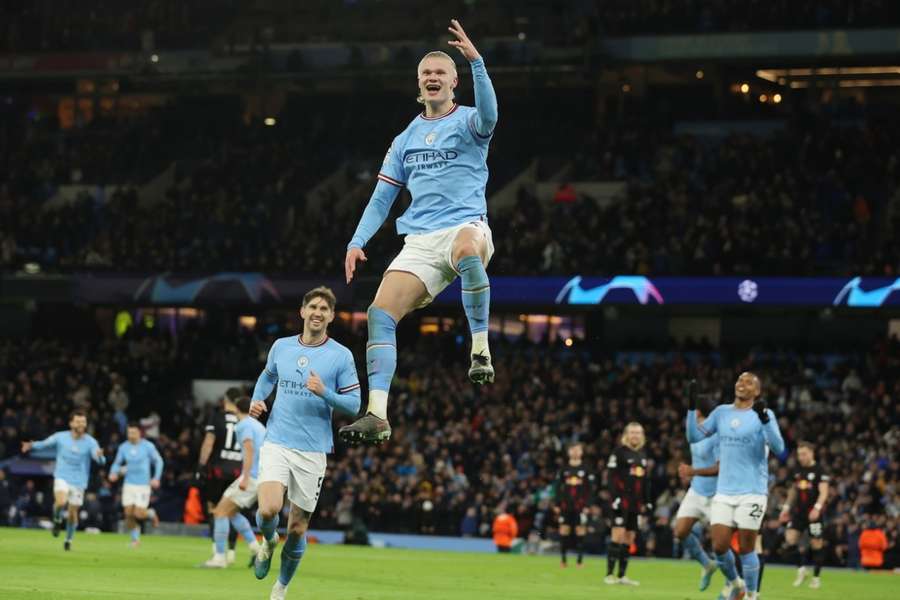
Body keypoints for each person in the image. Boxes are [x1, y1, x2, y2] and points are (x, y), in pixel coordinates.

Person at [340, 18, 499, 446]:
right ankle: (377, 413)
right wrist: (357, 242)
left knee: (468, 253)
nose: (432, 78)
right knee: (379, 313)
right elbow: (381, 199)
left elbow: (491, 114)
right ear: (418, 83)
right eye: (426, 73)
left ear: (453, 84)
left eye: (440, 74)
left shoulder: (469, 122)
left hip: (465, 226)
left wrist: (477, 61)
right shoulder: (404, 139)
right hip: (420, 241)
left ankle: (480, 348)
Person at [249, 287, 361, 600]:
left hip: (313, 450)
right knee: (269, 509)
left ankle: (280, 588)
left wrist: (325, 392)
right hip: (277, 441)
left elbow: (354, 404)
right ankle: (268, 541)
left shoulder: (340, 356)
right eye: (313, 306)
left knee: (297, 528)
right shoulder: (281, 347)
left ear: (332, 317)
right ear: (302, 311)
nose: (317, 313)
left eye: (324, 309)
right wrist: (257, 399)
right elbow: (267, 376)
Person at [687, 372, 785, 600]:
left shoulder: (764, 414)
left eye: (749, 382)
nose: (742, 384)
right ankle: (735, 584)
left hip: (752, 492)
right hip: (724, 492)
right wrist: (691, 408)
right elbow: (693, 436)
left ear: (757, 391)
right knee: (719, 546)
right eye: (740, 380)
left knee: (746, 548)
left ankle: (751, 595)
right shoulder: (721, 412)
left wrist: (764, 419)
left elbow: (779, 448)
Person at [20, 409, 106, 551]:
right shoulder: (61, 437)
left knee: (73, 514)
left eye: (83, 422)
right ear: (71, 423)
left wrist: (100, 456)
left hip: (79, 482)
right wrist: (31, 445)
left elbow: (99, 459)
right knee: (60, 501)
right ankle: (57, 519)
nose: (81, 424)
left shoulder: (91, 442)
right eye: (78, 421)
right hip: (62, 477)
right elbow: (45, 443)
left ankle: (68, 540)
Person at [204, 397, 265, 568]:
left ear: (236, 408)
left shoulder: (243, 425)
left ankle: (219, 558)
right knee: (230, 512)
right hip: (261, 475)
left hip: (251, 476)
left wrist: (245, 477)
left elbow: (248, 449)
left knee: (220, 512)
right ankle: (256, 549)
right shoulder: (258, 425)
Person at [675, 386, 720, 591]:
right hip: (696, 490)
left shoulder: (717, 435)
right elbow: (695, 458)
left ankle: (733, 583)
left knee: (721, 543)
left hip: (716, 494)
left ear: (701, 410)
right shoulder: (694, 430)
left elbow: (720, 467)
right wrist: (686, 471)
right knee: (681, 531)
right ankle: (707, 564)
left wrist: (693, 471)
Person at [195, 387, 245, 563]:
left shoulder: (217, 417)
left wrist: (201, 466)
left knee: (214, 509)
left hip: (217, 471)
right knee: (232, 511)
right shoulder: (245, 420)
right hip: (238, 471)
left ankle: (218, 551)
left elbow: (209, 443)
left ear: (226, 400)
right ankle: (232, 550)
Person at [779, 441, 830, 589]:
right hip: (798, 513)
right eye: (799, 454)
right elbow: (794, 491)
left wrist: (817, 508)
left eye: (804, 454)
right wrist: (786, 508)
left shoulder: (820, 470)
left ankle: (816, 578)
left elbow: (824, 492)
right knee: (790, 539)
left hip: (813, 514)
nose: (801, 457)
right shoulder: (797, 470)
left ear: (811, 453)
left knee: (816, 545)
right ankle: (802, 570)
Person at [605, 422, 651, 586]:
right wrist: (615, 497)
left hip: (635, 504)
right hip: (621, 501)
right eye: (632, 432)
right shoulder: (618, 453)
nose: (635, 436)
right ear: (626, 434)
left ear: (642, 435)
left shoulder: (643, 455)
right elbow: (611, 478)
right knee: (617, 536)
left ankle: (622, 575)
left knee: (629, 539)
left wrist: (647, 501)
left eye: (638, 433)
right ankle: (609, 575)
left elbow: (645, 481)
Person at [109, 422, 164, 548]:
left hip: (143, 485)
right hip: (129, 484)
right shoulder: (124, 447)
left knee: (138, 514)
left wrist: (156, 478)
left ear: (140, 433)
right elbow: (117, 462)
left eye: (133, 432)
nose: (131, 435)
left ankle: (150, 513)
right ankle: (135, 539)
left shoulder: (148, 446)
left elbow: (159, 461)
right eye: (129, 433)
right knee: (128, 514)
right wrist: (113, 472)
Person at [555, 442, 595, 568]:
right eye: (573, 450)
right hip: (566, 506)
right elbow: (557, 487)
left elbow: (591, 489)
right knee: (564, 530)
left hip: (580, 506)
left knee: (580, 530)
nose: (575, 452)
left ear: (581, 452)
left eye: (578, 450)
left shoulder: (586, 469)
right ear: (569, 452)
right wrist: (557, 503)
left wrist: (588, 505)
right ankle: (563, 560)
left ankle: (579, 561)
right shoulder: (564, 469)